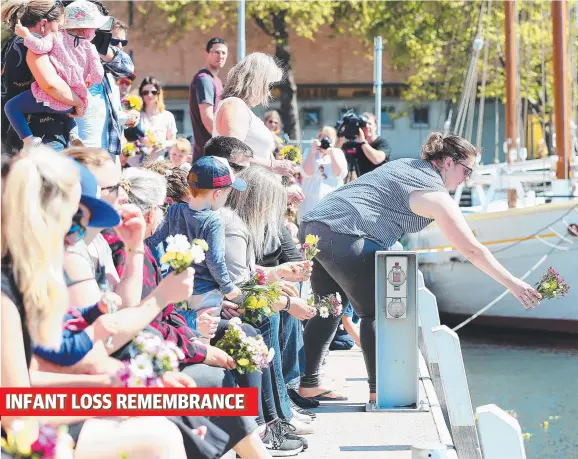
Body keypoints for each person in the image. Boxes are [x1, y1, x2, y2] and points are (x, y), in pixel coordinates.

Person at [297, 132, 542, 405]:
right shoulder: (434, 194)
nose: (467, 178)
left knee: (329, 308)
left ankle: (309, 383)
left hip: (313, 227)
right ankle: (381, 393)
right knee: (375, 312)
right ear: (448, 162)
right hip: (344, 235)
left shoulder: (406, 165)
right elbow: (472, 250)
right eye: (467, 170)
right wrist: (514, 284)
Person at [1, 146, 190, 458]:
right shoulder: (6, 288)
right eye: (74, 217)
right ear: (45, 218)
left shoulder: (22, 277)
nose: (76, 232)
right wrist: (116, 394)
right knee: (159, 438)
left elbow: (30, 372)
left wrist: (126, 384)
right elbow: (16, 414)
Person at [145, 156, 244, 329]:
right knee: (204, 335)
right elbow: (215, 260)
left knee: (184, 333)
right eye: (227, 194)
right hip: (205, 292)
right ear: (217, 194)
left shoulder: (175, 210)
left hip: (178, 286)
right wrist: (228, 288)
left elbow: (154, 240)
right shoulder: (213, 221)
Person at [3, 0, 108, 148]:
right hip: (45, 135)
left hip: (16, 133)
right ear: (44, 24)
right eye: (60, 26)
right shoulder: (34, 43)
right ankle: (73, 134)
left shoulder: (13, 42)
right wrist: (79, 102)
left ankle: (72, 134)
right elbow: (51, 84)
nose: (62, 31)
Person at [213, 52, 295, 177]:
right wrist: (272, 165)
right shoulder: (234, 105)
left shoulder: (239, 106)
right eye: (268, 85)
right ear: (256, 82)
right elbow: (232, 154)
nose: (268, 92)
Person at [189, 37, 228, 161]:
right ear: (206, 54)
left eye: (224, 53)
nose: (220, 56)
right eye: (216, 52)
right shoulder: (204, 79)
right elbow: (207, 118)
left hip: (212, 155)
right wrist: (225, 145)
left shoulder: (216, 80)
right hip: (207, 157)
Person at [299, 125, 347, 221]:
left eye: (328, 137)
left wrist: (331, 154)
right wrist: (312, 153)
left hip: (331, 205)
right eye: (322, 137)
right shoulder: (309, 151)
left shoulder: (338, 153)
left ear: (334, 140)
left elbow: (339, 174)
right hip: (311, 204)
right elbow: (306, 173)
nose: (325, 140)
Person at [341, 112, 391, 181]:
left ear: (375, 126)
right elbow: (339, 153)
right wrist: (344, 132)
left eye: (370, 124)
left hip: (381, 184)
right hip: (364, 186)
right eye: (364, 124)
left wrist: (363, 142)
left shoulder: (382, 143)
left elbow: (377, 159)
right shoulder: (357, 146)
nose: (367, 126)